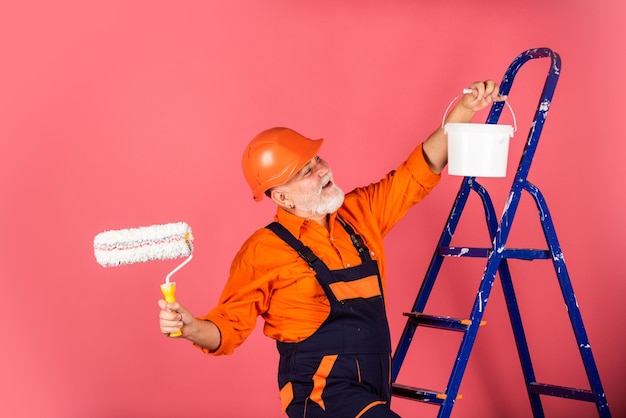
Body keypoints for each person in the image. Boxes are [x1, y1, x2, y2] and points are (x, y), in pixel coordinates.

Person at [158, 81, 504, 417]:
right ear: (282, 197)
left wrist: (463, 110)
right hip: (320, 394)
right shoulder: (263, 251)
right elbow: (228, 328)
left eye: (318, 159)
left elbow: (420, 169)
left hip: (374, 388)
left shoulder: (359, 213)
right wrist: (190, 328)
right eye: (306, 171)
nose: (322, 170)